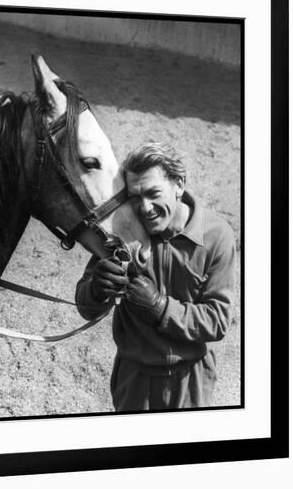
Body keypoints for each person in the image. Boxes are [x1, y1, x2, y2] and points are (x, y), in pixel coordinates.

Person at [75, 141, 236, 411]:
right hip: (134, 380)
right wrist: (96, 288)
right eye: (135, 197)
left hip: (190, 381)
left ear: (179, 185)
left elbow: (218, 321)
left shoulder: (216, 236)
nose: (145, 208)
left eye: (153, 193)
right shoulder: (124, 230)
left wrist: (160, 308)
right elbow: (85, 307)